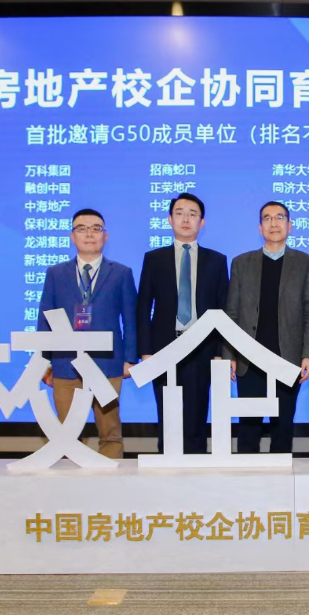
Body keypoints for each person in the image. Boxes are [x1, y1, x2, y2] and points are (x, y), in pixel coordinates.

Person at [38, 208, 136, 459]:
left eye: (96, 229)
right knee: (66, 434)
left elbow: (130, 319)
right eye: (81, 229)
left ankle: (112, 480)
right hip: (65, 364)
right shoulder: (55, 273)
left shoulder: (121, 273)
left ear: (106, 236)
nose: (89, 234)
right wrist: (44, 362)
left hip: (108, 364)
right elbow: (45, 318)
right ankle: (70, 481)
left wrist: (129, 358)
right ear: (72, 236)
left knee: (110, 431)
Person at [225, 201, 309, 454]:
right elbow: (231, 314)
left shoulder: (305, 263)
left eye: (279, 217)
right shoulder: (241, 263)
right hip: (249, 359)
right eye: (267, 218)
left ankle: (282, 478)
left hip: (287, 358)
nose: (273, 223)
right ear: (260, 228)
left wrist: (308, 353)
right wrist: (229, 355)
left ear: (289, 226)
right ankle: (248, 476)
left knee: (283, 426)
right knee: (248, 429)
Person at [136, 193, 229, 454]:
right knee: (167, 416)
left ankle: (196, 469)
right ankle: (166, 469)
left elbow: (223, 310)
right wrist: (145, 351)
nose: (185, 219)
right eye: (179, 213)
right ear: (170, 219)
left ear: (202, 222)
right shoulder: (154, 259)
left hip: (202, 349)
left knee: (197, 417)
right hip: (163, 349)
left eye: (192, 214)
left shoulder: (217, 261)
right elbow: (143, 307)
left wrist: (220, 352)